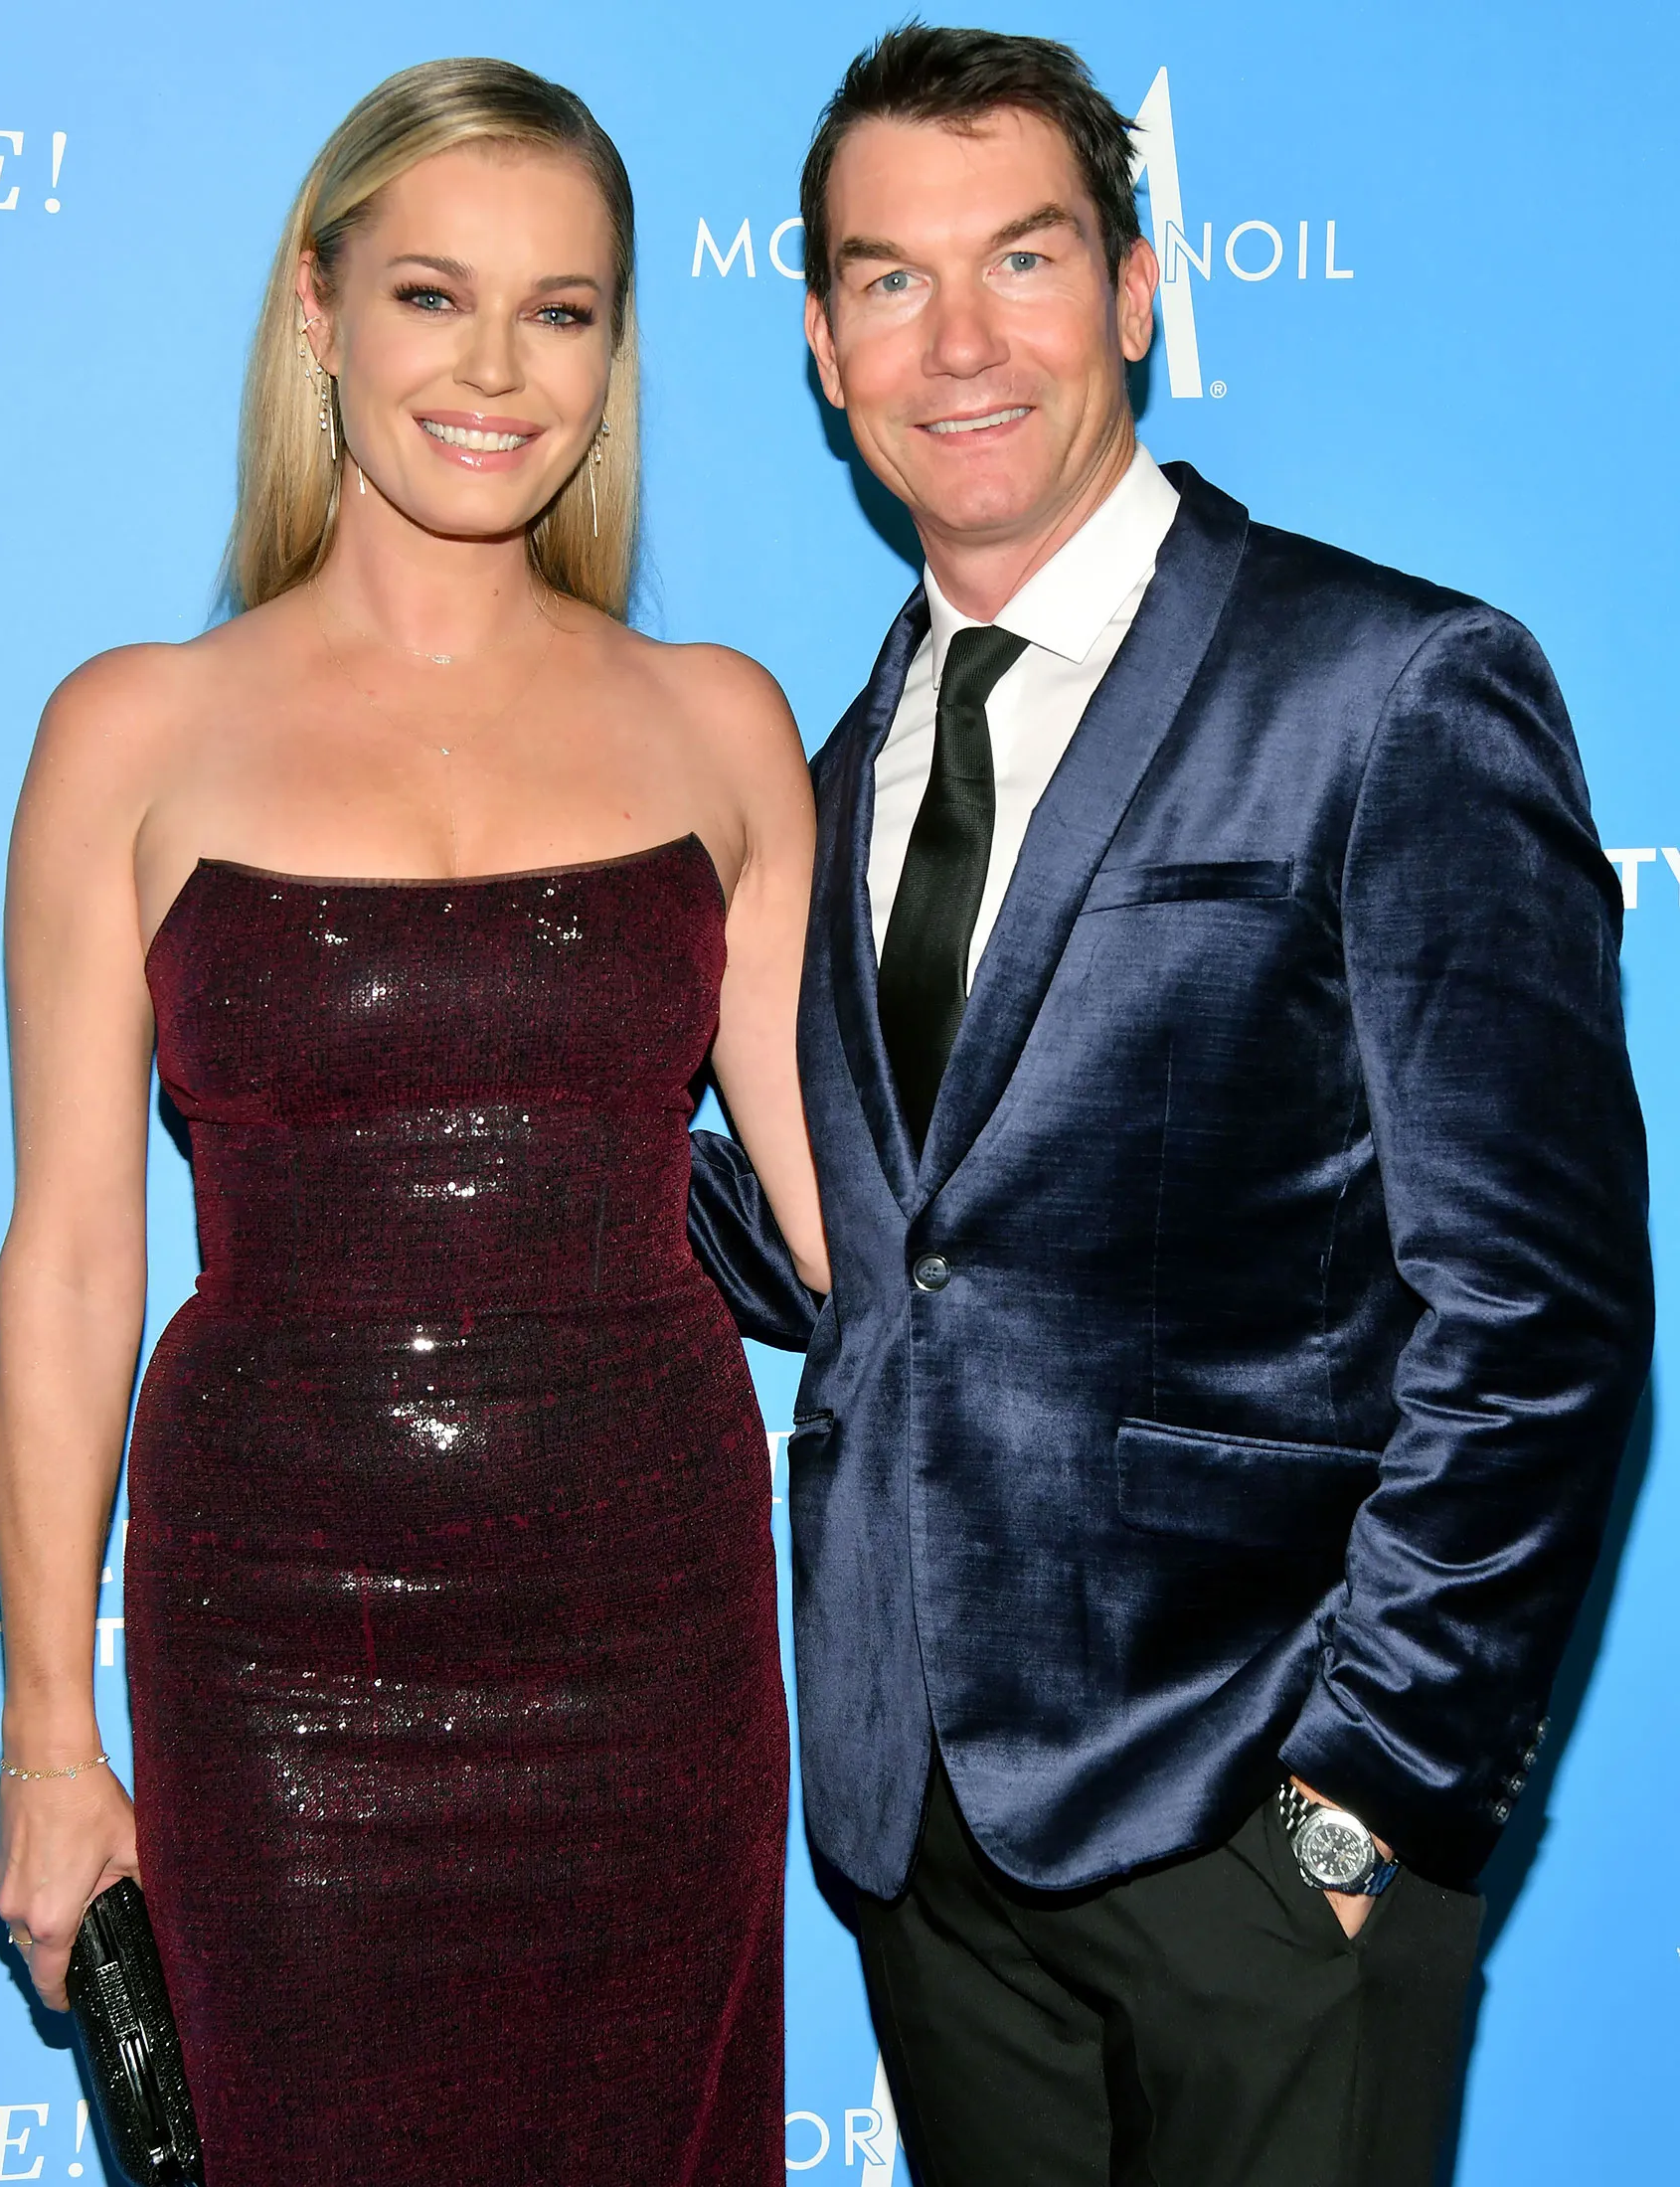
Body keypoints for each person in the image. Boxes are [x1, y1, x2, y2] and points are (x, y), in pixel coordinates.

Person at [688, 25, 1653, 2187]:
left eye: (1023, 257)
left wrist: (1366, 1801)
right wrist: (480, 1103)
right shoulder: (825, 774)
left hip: (1268, 1824)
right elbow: (858, 1232)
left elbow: (1543, 1310)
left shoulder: (1392, 686)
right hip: (925, 1844)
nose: (959, 341)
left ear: (1136, 289)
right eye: (890, 278)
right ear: (824, 343)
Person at [0, 57, 822, 2186]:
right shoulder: (131, 732)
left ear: (616, 354)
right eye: (433, 295)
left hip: (655, 1630)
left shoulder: (720, 723)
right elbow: (73, 1260)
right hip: (274, 1641)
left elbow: (851, 1228)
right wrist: (49, 1742)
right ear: (317, 309)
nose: (495, 370)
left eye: (562, 311)